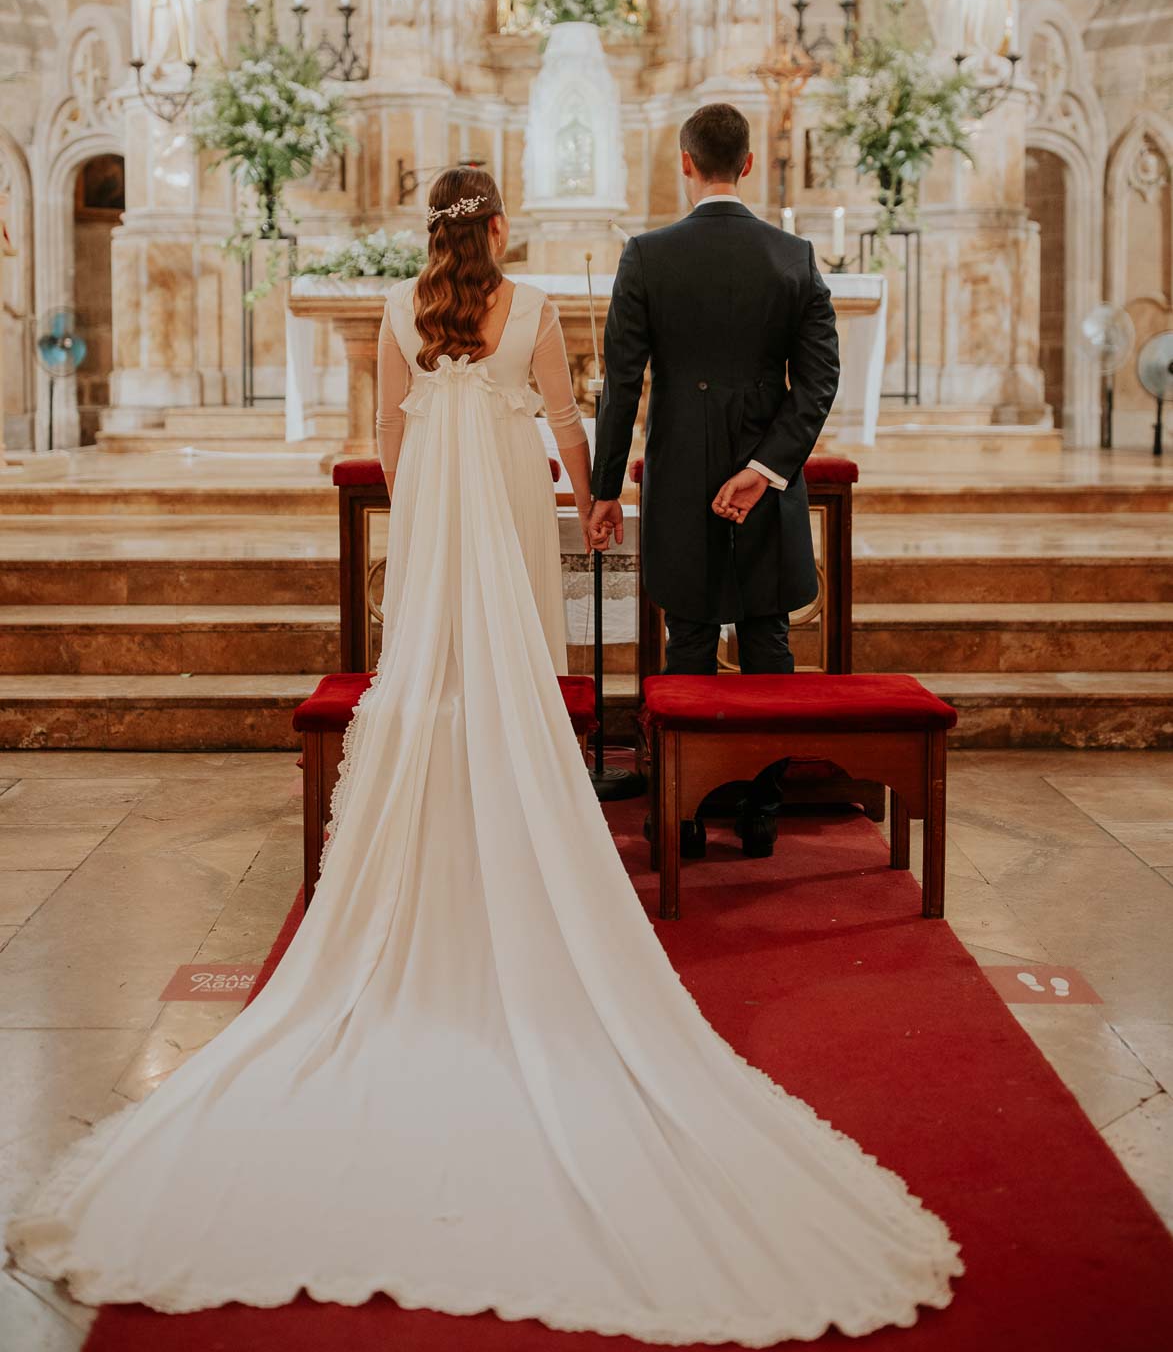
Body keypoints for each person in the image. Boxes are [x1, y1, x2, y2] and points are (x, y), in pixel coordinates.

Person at [4, 167, 960, 1341]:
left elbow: (392, 452)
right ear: (499, 227)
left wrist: (430, 517)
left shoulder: (401, 311)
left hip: (441, 526)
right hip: (506, 516)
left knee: (430, 687)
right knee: (517, 684)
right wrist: (592, 502)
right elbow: (565, 426)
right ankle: (519, 834)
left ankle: (421, 856)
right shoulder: (536, 312)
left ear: (430, 231)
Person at [589, 103, 841, 857]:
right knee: (767, 637)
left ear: (685, 163)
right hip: (767, 474)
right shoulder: (791, 256)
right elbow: (820, 379)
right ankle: (761, 809)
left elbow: (621, 385)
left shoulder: (646, 255)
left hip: (679, 476)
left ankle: (684, 807)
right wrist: (765, 469)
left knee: (689, 636)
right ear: (750, 165)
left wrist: (604, 489)